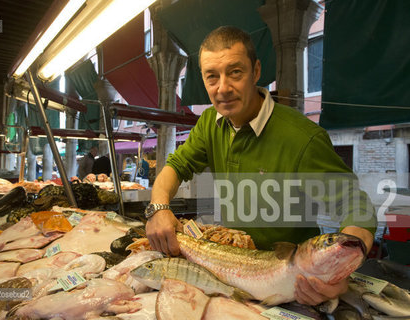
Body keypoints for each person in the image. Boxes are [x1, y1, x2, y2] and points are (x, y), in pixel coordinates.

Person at [145, 26, 376, 306]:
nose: (223, 88)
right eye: (212, 77)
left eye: (235, 72)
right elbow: (176, 166)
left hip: (291, 283)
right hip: (230, 269)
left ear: (255, 72)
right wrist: (159, 208)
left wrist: (339, 273)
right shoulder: (209, 123)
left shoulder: (302, 138)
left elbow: (356, 206)